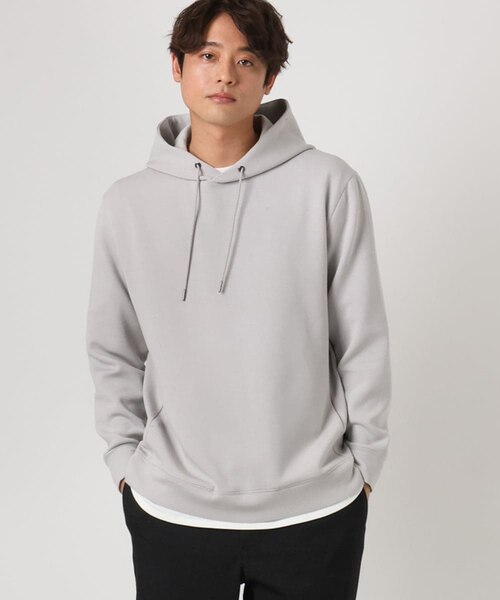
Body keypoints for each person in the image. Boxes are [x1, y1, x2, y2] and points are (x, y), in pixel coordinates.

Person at [85, 0, 392, 598]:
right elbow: (112, 347)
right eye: (208, 55)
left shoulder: (328, 186)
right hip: (173, 510)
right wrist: (124, 461)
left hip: (316, 509)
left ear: (269, 78)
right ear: (177, 66)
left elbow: (363, 338)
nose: (225, 74)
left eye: (247, 60)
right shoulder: (128, 203)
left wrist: (365, 467)